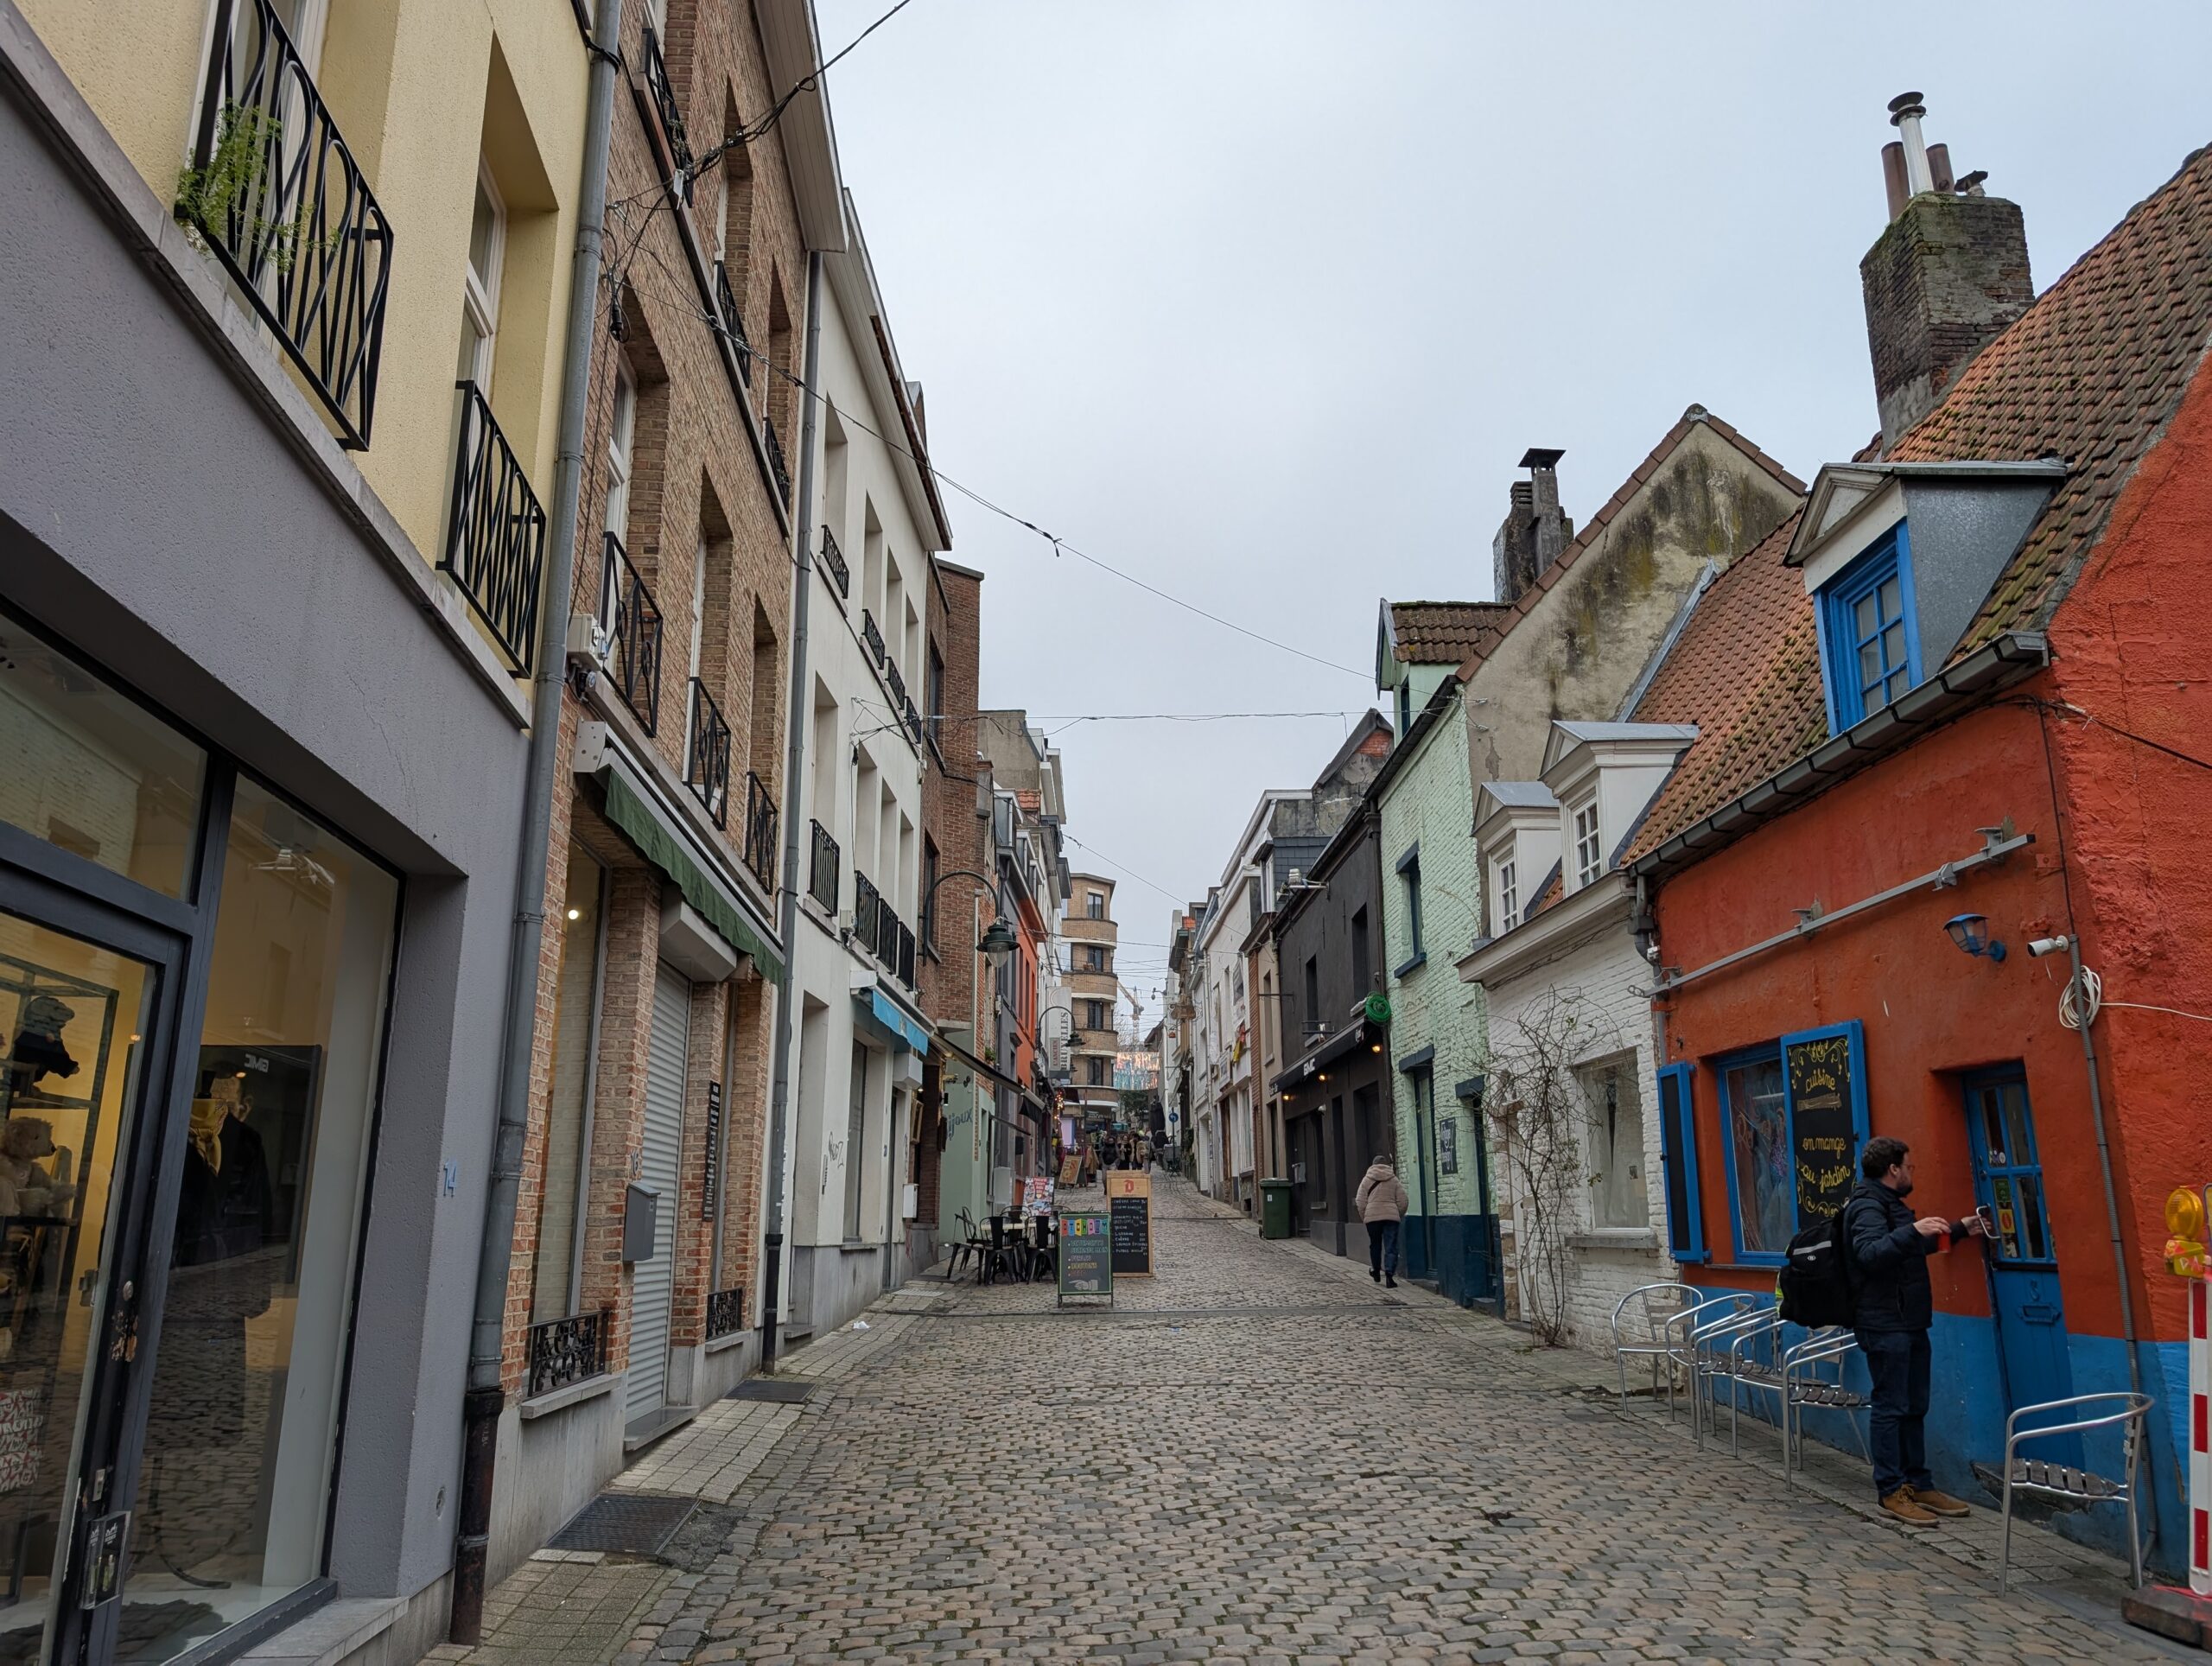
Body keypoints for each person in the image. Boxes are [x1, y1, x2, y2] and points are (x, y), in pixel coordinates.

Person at [1844, 1135, 1986, 1526]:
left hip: (1909, 1320)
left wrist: (1958, 1230)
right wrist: (1914, 1230)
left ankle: (1918, 1483)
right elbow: (1870, 1254)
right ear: (1893, 1169)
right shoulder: (1867, 1205)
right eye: (1909, 1166)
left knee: (1914, 1405)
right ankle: (1891, 1491)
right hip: (1884, 1322)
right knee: (1890, 1407)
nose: (1912, 1173)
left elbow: (1905, 1249)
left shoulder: (1891, 1204)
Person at [1354, 1154, 1408, 1288]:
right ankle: (1389, 1276)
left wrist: (1365, 1217)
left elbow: (1360, 1202)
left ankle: (1376, 1271)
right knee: (1391, 1246)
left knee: (1375, 1244)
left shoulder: (1366, 1180)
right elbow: (1403, 1201)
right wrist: (1397, 1214)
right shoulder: (1394, 1180)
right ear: (1386, 1165)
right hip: (1391, 1218)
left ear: (1373, 1165)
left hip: (1372, 1218)